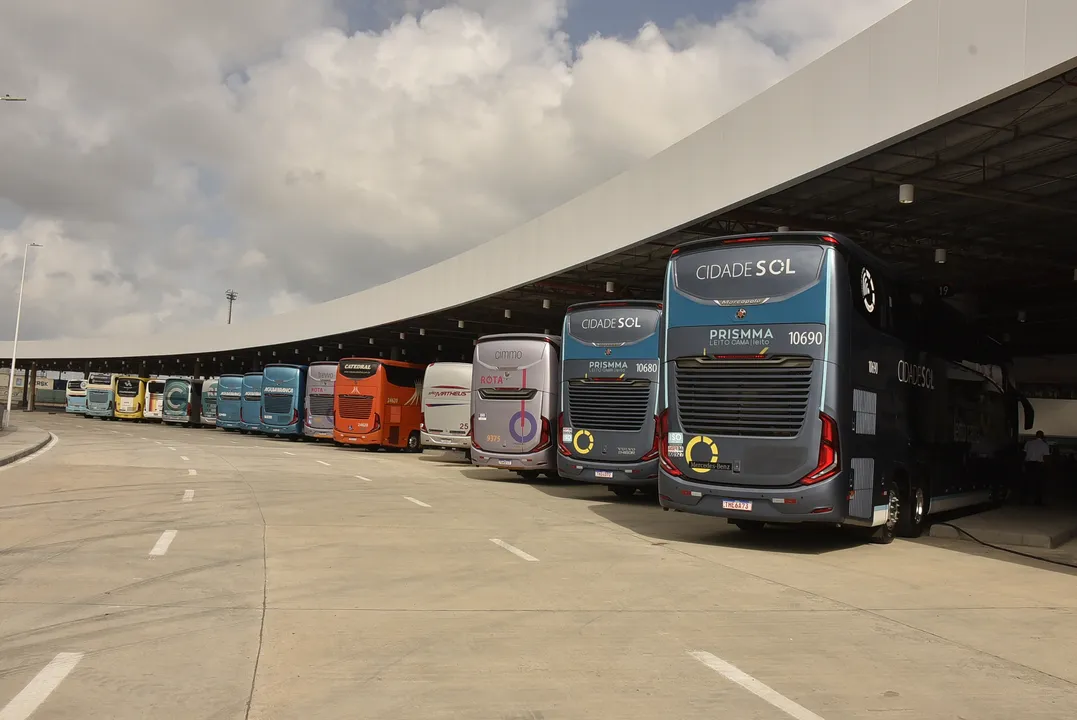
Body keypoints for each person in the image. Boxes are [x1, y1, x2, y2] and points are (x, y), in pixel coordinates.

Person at [1022, 431, 1051, 506]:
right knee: (1038, 483)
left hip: (1029, 464)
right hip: (1038, 465)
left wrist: (1023, 464)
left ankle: (1023, 500)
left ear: (1036, 435)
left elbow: (1024, 454)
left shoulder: (1029, 443)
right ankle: (1037, 501)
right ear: (1042, 436)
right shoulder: (1045, 445)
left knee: (1027, 482)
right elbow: (1046, 457)